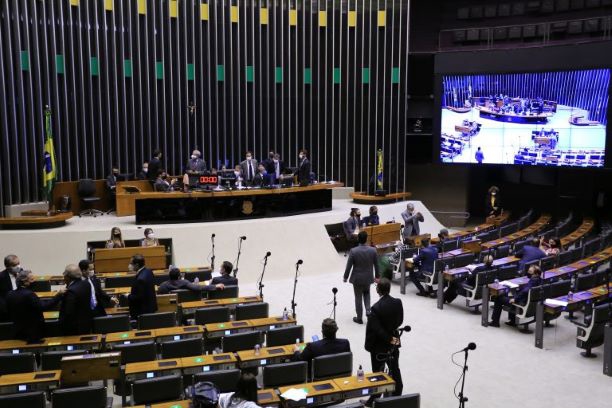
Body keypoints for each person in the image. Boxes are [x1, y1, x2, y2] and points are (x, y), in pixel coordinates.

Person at [364, 278, 404, 403]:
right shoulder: (398, 302)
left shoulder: (375, 308)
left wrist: (389, 339)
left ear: (377, 290)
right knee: (395, 368)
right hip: (394, 341)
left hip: (379, 346)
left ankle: (374, 399)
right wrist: (392, 337)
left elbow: (377, 330)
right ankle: (397, 392)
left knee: (378, 373)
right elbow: (400, 321)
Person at [6, 269, 63, 343]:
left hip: (18, 330)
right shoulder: (29, 294)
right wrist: (58, 296)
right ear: (25, 282)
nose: (34, 281)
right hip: (32, 332)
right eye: (32, 279)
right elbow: (43, 307)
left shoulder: (10, 294)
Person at [343, 231, 380, 324]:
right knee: (367, 294)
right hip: (368, 278)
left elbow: (349, 266)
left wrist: (345, 277)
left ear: (358, 239)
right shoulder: (373, 250)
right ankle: (368, 310)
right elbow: (377, 265)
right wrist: (377, 276)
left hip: (357, 279)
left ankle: (359, 318)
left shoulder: (353, 251)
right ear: (366, 239)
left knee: (358, 297)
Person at [59, 264, 94, 335]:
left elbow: (68, 312)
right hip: (86, 324)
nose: (64, 278)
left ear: (68, 277)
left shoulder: (71, 291)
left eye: (64, 275)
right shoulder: (86, 284)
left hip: (74, 328)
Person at [127, 254, 157, 319]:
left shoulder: (140, 279)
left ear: (137, 265)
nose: (129, 265)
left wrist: (128, 296)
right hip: (151, 307)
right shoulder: (149, 271)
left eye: (131, 263)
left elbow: (138, 297)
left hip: (142, 311)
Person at [158, 267, 223, 294]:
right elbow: (199, 288)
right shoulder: (184, 282)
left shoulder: (163, 285)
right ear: (179, 276)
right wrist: (215, 286)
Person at [0, 254, 20, 321]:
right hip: (8, 309)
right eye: (14, 265)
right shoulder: (1, 277)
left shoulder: (22, 273)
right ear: (7, 266)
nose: (18, 267)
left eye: (18, 263)